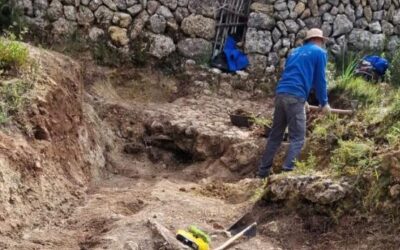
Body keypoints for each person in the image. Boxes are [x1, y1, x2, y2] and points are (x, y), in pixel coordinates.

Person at [257, 28, 331, 178]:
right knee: (298, 138)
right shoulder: (319, 52)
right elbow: (320, 80)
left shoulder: (295, 52)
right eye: (322, 41)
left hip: (281, 93)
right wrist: (324, 102)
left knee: (275, 136)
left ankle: (262, 173)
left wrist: (302, 100)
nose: (323, 44)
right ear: (319, 40)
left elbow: (292, 74)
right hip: (295, 97)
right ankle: (286, 174)